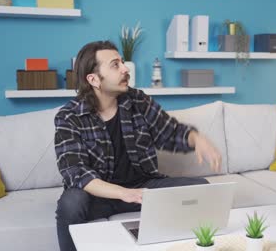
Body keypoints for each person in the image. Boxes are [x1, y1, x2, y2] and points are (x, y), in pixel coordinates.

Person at [54, 40, 222, 251]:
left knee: (201, 188)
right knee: (71, 202)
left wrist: (197, 139)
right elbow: (75, 173)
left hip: (142, 188)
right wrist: (123, 193)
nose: (125, 69)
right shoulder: (69, 117)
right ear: (93, 79)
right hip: (98, 195)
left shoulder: (137, 100)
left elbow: (168, 132)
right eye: (115, 65)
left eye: (122, 62)